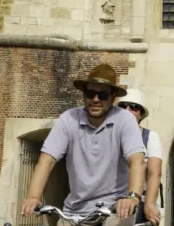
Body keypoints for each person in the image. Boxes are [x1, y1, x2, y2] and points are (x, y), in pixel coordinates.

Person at [20, 64, 146, 225]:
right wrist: (33, 197)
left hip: (114, 208)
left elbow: (137, 161)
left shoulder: (125, 120)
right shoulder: (68, 119)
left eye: (102, 95)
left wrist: (132, 197)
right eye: (90, 94)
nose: (95, 99)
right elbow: (47, 160)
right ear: (84, 95)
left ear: (113, 97)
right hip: (75, 210)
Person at [117, 89, 163, 225]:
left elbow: (154, 173)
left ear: (141, 114)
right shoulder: (110, 134)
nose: (127, 110)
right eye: (123, 106)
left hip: (140, 200)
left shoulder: (150, 137)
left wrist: (149, 205)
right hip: (112, 199)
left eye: (134, 107)